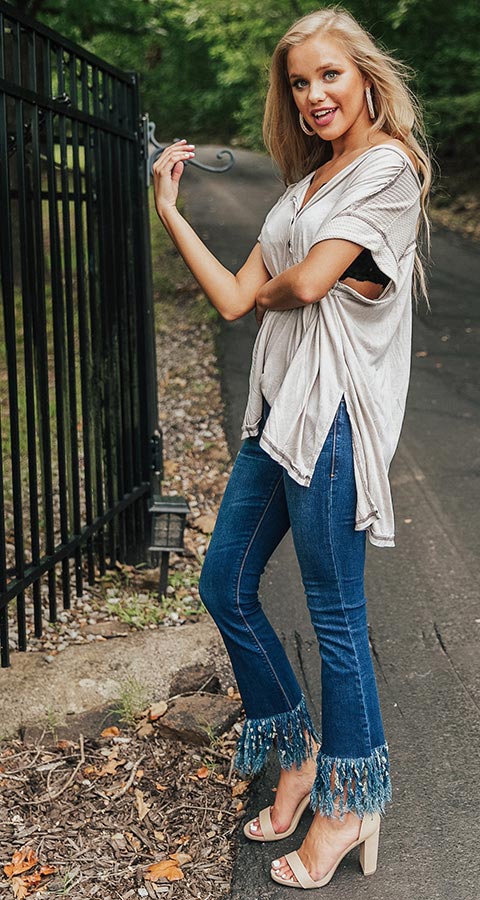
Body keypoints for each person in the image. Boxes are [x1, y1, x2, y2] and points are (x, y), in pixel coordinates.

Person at [152, 7, 433, 889]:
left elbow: (309, 283)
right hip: (279, 417)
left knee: (335, 615)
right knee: (224, 582)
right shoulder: (308, 185)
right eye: (300, 83)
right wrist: (170, 209)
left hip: (338, 417)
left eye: (329, 77)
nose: (314, 95)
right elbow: (241, 299)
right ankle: (300, 750)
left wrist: (291, 282)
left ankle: (351, 805)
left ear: (365, 76)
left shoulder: (389, 168)